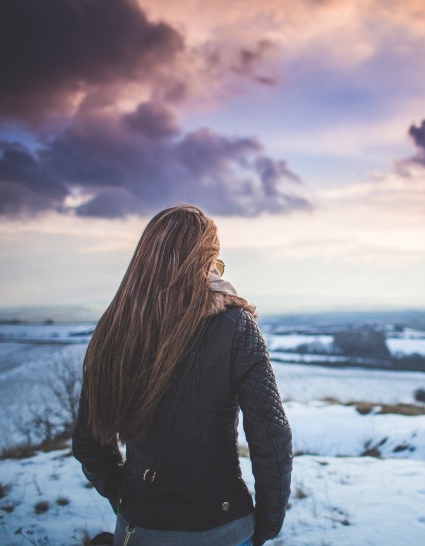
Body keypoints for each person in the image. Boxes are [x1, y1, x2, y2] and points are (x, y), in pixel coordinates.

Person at [72, 204, 292, 546]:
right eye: (214, 260)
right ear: (204, 261)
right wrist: (266, 523)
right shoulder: (234, 326)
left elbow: (89, 443)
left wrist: (129, 500)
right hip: (221, 529)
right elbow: (272, 436)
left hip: (137, 530)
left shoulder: (112, 330)